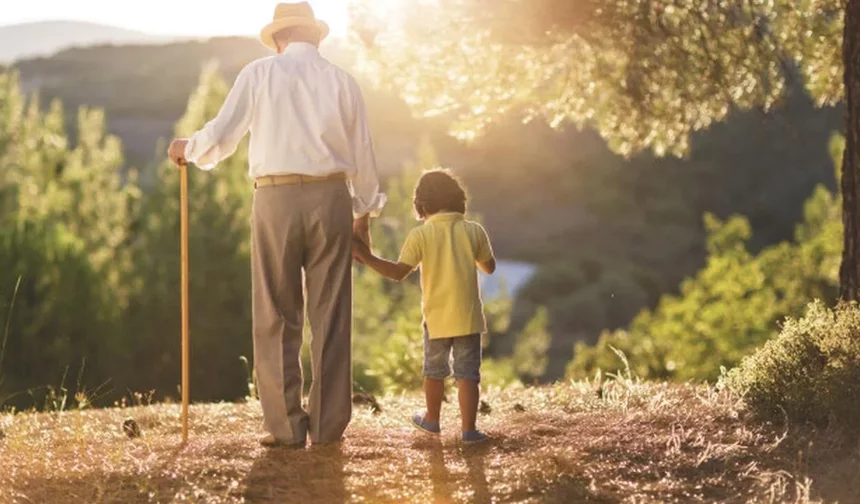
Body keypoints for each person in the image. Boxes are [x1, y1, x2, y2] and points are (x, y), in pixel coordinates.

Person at [167, 2, 385, 448]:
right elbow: (364, 156)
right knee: (332, 315)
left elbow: (223, 135)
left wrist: (188, 148)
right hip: (332, 199)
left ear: (280, 38)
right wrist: (363, 216)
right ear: (316, 36)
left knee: (275, 312)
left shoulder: (260, 74)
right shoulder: (344, 82)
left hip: (275, 197)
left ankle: (286, 428)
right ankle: (326, 429)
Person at [352, 169, 496, 444]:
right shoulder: (474, 230)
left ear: (422, 205)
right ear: (458, 200)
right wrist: (468, 254)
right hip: (468, 317)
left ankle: (432, 420)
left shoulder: (421, 235)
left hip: (437, 318)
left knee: (434, 371)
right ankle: (469, 431)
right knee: (468, 374)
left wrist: (366, 257)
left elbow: (397, 273)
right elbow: (489, 268)